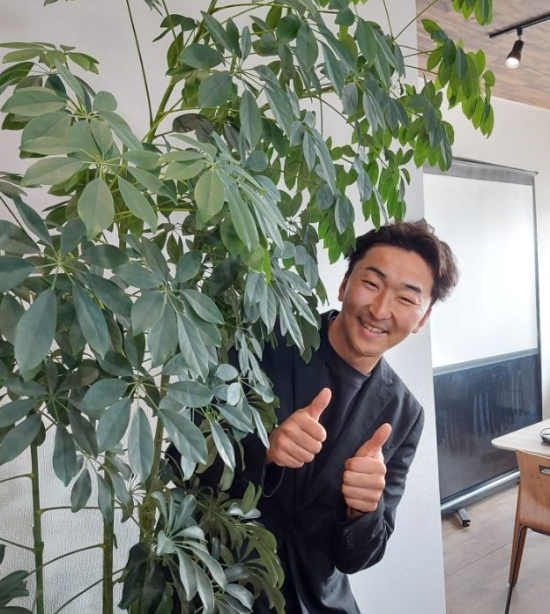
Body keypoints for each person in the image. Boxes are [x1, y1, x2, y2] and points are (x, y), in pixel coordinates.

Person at [243, 219, 459, 613]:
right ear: (344, 285)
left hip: (318, 602)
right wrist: (266, 452)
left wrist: (363, 510)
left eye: (406, 299)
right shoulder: (266, 341)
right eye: (372, 284)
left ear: (422, 320)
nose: (380, 309)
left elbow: (360, 557)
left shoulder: (405, 414)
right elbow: (181, 463)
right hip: (222, 590)